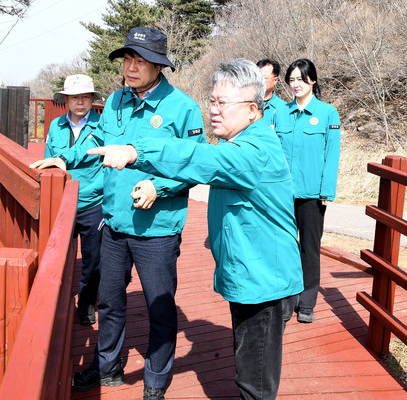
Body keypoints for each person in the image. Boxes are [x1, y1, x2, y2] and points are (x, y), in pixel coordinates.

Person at [87, 58, 303, 400]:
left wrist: (135, 151)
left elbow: (197, 158)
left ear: (251, 110)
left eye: (222, 103)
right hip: (252, 273)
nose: (214, 110)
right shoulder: (242, 142)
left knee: (255, 383)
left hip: (265, 279)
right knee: (248, 369)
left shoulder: (254, 151)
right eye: (212, 101)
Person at [30, 26, 206, 400]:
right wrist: (64, 158)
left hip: (157, 229)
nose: (130, 67)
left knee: (159, 307)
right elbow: (95, 143)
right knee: (110, 301)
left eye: (140, 61)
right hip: (113, 223)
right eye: (127, 59)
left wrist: (161, 187)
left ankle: (156, 379)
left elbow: (196, 164)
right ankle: (107, 366)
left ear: (159, 66)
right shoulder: (114, 102)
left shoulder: (182, 108)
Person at [278, 58, 341, 324]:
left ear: (312, 80)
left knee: (309, 248)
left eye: (301, 79)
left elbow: (332, 154)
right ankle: (285, 299)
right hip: (281, 193)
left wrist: (326, 191)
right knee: (283, 247)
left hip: (312, 195)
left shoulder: (328, 113)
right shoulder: (279, 112)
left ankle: (307, 302)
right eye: (291, 80)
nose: (296, 84)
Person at [44, 74, 104, 325]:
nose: (80, 101)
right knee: (59, 259)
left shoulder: (103, 125)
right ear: (66, 100)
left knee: (94, 261)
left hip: (93, 202)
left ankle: (87, 302)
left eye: (85, 96)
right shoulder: (56, 126)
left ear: (92, 99)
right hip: (62, 202)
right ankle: (58, 302)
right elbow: (48, 162)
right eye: (74, 97)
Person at [256, 58, 289, 131]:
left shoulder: (283, 108)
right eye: (258, 77)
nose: (260, 81)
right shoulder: (246, 104)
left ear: (275, 80)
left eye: (264, 78)